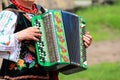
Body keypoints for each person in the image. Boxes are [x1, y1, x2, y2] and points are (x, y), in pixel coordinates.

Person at [0, 0, 92, 80]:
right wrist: (19, 36)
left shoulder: (46, 13)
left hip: (49, 76)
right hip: (19, 76)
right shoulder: (9, 14)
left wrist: (81, 42)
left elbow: (60, 42)